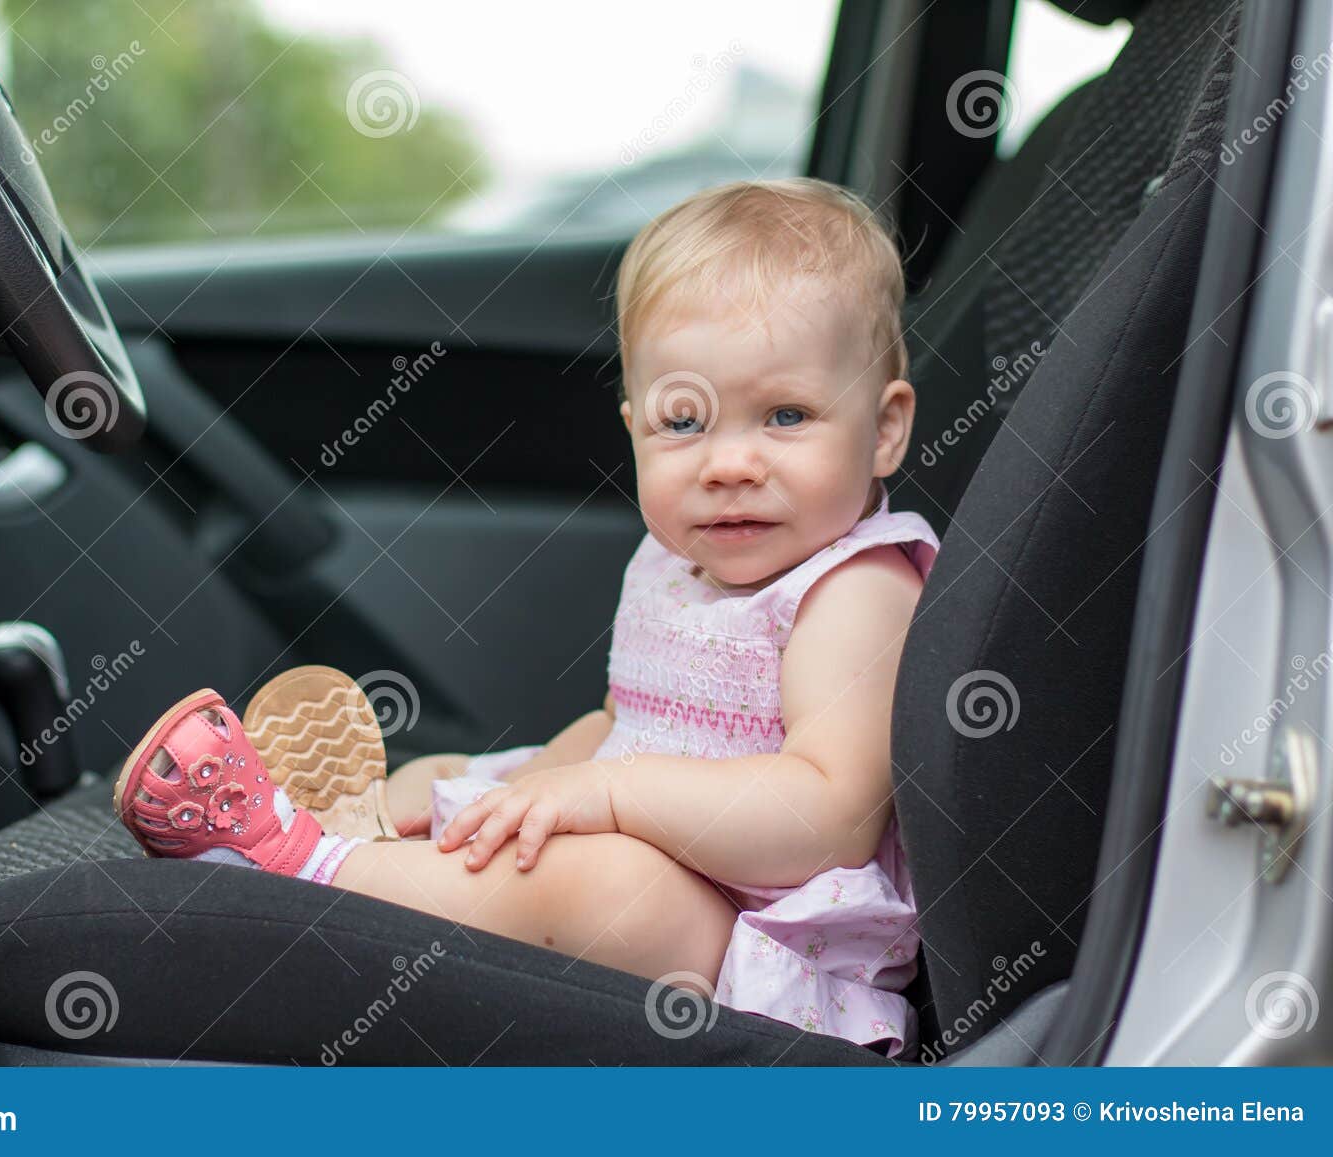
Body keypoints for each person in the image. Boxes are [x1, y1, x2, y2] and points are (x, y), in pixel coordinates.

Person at [116, 177, 938, 1057]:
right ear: (633, 426)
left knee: (604, 881)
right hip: (682, 878)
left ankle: (306, 869)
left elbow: (828, 818)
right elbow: (626, 727)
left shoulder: (857, 588)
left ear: (885, 428)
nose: (729, 462)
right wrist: (517, 794)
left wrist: (607, 795)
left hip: (761, 946)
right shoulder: (675, 560)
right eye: (684, 422)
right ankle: (346, 840)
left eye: (785, 415)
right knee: (457, 779)